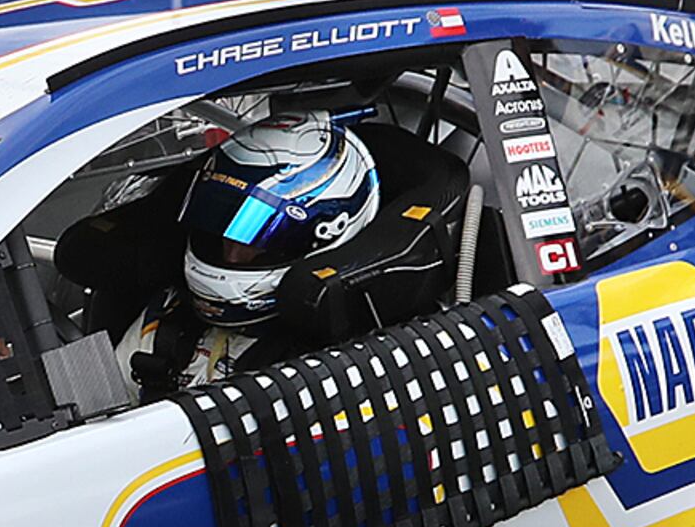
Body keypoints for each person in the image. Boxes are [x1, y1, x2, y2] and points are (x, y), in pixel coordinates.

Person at [52, 98, 466, 400]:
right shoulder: (166, 317)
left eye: (254, 238)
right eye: (222, 226)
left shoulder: (351, 360)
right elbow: (82, 416)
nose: (231, 251)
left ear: (324, 236)